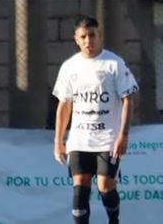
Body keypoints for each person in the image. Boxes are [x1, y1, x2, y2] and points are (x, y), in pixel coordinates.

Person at [53, 16, 140, 224]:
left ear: (99, 36)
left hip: (107, 139)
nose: (88, 41)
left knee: (105, 187)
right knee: (80, 189)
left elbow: (128, 100)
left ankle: (114, 220)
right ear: (76, 39)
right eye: (83, 37)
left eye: (92, 35)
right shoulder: (69, 67)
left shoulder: (114, 64)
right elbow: (64, 105)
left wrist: (123, 135)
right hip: (79, 139)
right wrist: (58, 141)